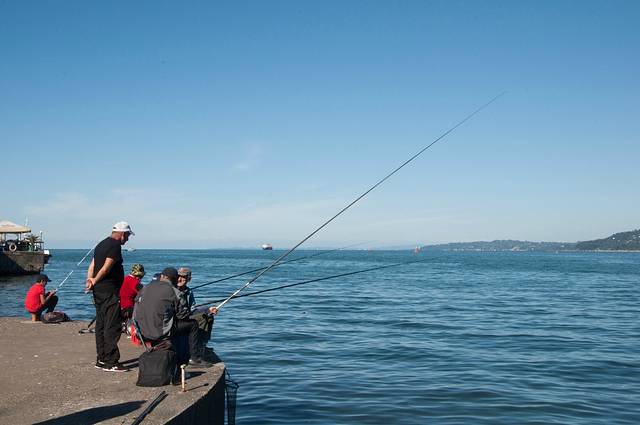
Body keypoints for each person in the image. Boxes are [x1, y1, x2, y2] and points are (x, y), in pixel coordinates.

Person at [134, 267, 210, 367]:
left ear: (162, 276)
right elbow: (183, 316)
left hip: (141, 332)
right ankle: (194, 358)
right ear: (174, 279)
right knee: (193, 324)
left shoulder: (145, 288)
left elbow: (136, 310)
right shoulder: (174, 292)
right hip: (159, 333)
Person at [85, 221, 134, 372]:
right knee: (112, 325)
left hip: (99, 291)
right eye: (127, 236)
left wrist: (90, 280)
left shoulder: (101, 244)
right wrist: (94, 280)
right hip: (109, 290)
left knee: (101, 323)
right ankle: (111, 361)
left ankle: (101, 358)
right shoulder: (114, 245)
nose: (127, 239)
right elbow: (106, 268)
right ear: (122, 234)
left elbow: (92, 265)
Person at [177, 267, 217, 360]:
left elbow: (192, 309)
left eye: (183, 277)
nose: (180, 279)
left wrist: (208, 309)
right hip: (177, 319)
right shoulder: (173, 290)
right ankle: (195, 350)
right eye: (178, 276)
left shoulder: (189, 292)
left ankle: (201, 344)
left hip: (186, 316)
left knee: (208, 316)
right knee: (200, 319)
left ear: (189, 279)